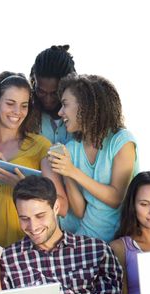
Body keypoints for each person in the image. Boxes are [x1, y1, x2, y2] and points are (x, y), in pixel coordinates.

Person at [0, 175, 137, 294]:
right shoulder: (10, 259)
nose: (33, 227)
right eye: (24, 218)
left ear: (56, 207)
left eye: (40, 216)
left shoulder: (96, 250)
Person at [0, 71, 67, 247]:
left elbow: (62, 206)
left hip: (22, 249)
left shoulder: (40, 147)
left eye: (24, 105)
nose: (17, 112)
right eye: (10, 103)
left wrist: (22, 187)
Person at [47, 74, 138, 242]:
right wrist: (65, 172)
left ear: (85, 106)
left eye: (65, 104)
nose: (60, 112)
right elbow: (80, 211)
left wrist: (72, 171)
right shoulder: (72, 149)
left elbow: (116, 198)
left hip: (117, 242)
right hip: (86, 239)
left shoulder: (121, 141)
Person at [29, 44, 76, 145]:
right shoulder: (25, 114)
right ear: (34, 82)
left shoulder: (84, 117)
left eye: (55, 93)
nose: (48, 100)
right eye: (41, 92)